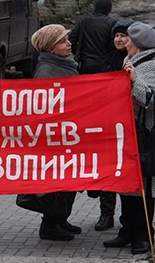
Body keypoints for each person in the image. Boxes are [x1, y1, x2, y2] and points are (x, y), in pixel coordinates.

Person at [103, 22, 155, 255]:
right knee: (126, 185)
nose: (125, 44)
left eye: (129, 40)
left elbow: (150, 99)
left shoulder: (152, 65)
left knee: (143, 187)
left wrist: (134, 81)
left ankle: (144, 235)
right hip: (125, 134)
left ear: (139, 43)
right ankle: (127, 231)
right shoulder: (130, 61)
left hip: (144, 135)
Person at [31, 24, 81, 241]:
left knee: (69, 182)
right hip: (55, 138)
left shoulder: (64, 65)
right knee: (57, 183)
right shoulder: (46, 72)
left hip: (69, 134)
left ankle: (60, 219)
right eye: (62, 41)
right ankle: (49, 224)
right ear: (50, 47)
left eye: (68, 39)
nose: (69, 44)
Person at [91, 19, 135, 232]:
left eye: (123, 35)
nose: (118, 39)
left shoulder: (138, 61)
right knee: (109, 169)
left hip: (131, 125)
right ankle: (106, 214)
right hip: (109, 123)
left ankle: (130, 220)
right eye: (116, 36)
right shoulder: (108, 60)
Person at [69, 0, 116, 74]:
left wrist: (79, 52)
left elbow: (71, 40)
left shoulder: (84, 21)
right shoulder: (112, 22)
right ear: (109, 10)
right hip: (105, 65)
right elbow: (114, 44)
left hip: (85, 64)